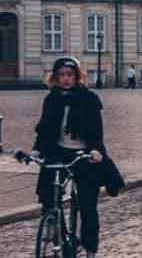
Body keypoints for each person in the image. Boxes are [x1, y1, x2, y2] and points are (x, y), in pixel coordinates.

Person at [30, 57, 114, 258]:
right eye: (61, 75)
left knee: (87, 206)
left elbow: (96, 130)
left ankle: (90, 250)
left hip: (84, 153)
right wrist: (36, 150)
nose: (66, 79)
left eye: (70, 75)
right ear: (55, 78)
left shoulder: (89, 98)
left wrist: (95, 150)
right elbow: (44, 129)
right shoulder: (52, 98)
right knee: (48, 189)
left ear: (77, 77)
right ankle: (50, 219)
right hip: (58, 151)